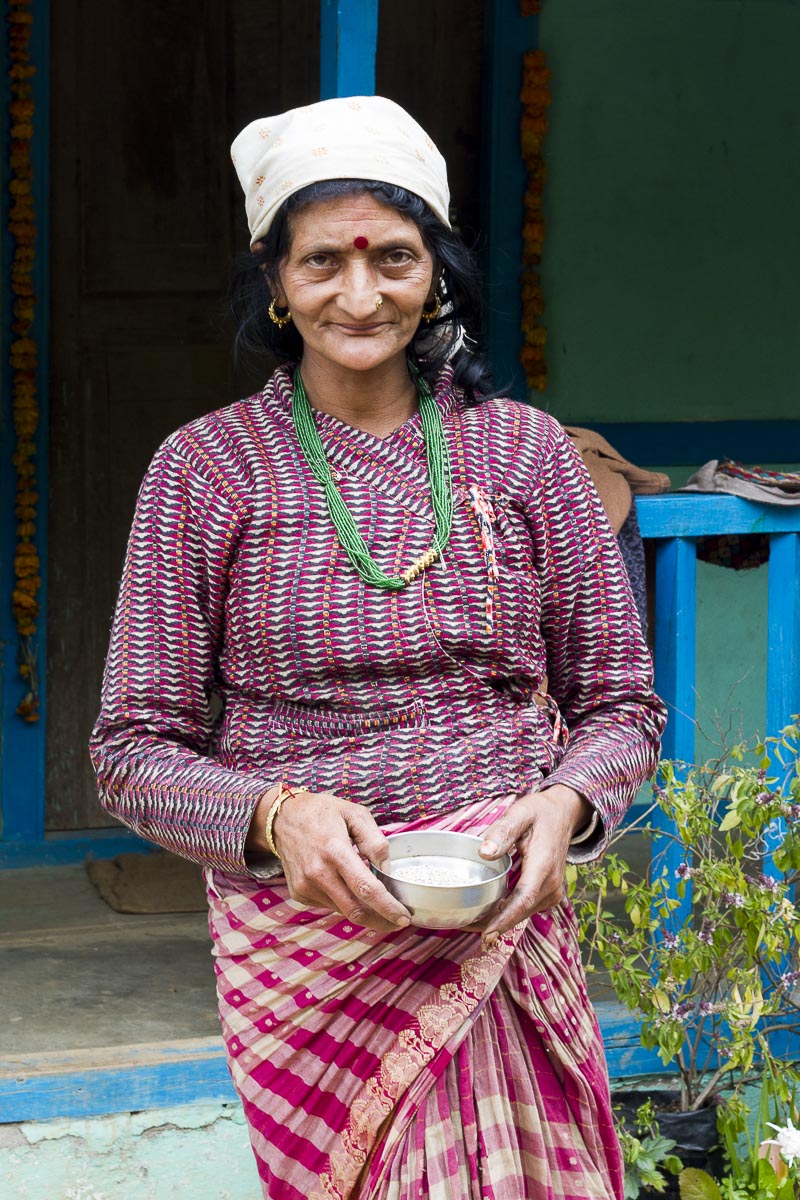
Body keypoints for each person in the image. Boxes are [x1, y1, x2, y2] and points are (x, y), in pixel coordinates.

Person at [90, 95, 666, 1200]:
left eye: (393, 258)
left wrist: (571, 802)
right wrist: (275, 817)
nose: (360, 297)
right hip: (311, 955)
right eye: (322, 262)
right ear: (275, 279)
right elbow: (130, 751)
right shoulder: (204, 471)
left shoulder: (527, 454)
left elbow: (620, 705)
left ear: (436, 270)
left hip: (498, 926)